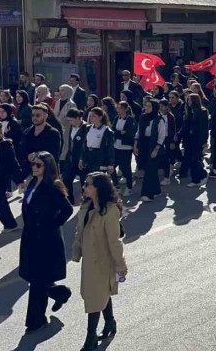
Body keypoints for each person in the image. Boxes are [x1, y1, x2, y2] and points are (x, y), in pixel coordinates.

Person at [19, 151, 74, 334]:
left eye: (38, 165)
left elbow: (66, 210)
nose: (34, 168)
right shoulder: (33, 182)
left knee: (37, 281)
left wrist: (50, 224)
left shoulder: (53, 186)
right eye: (33, 164)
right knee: (37, 278)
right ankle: (60, 293)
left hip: (46, 240)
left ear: (47, 166)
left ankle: (36, 320)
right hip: (31, 237)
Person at [71, 173, 127, 351]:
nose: (84, 187)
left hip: (103, 261)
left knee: (94, 297)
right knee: (99, 293)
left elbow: (114, 241)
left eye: (88, 184)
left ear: (98, 188)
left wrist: (120, 265)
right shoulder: (86, 206)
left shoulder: (110, 210)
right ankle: (110, 322)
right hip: (89, 260)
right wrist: (77, 251)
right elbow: (79, 231)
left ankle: (91, 337)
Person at [135, 98, 165, 202]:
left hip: (154, 146)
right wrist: (135, 145)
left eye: (149, 106)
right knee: (148, 169)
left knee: (149, 170)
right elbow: (138, 132)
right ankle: (156, 190)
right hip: (144, 145)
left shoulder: (159, 120)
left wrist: (156, 149)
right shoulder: (142, 117)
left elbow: (161, 136)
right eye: (145, 105)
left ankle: (147, 194)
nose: (146, 108)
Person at [180, 93, 209, 188]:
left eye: (190, 100)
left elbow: (204, 128)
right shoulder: (188, 112)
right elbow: (184, 126)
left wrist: (204, 141)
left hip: (197, 139)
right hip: (188, 139)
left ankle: (198, 178)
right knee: (190, 158)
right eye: (188, 100)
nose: (188, 102)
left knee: (195, 159)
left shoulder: (202, 112)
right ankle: (199, 177)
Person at [81, 108, 115, 177]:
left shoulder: (107, 131)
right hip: (88, 156)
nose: (91, 118)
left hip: (100, 157)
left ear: (100, 117)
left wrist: (111, 164)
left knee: (98, 179)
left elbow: (110, 148)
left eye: (93, 116)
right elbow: (84, 144)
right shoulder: (87, 128)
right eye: (90, 116)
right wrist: (81, 158)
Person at [111, 103, 136, 197]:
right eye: (118, 108)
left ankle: (129, 187)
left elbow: (129, 133)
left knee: (126, 169)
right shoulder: (116, 118)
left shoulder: (130, 119)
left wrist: (120, 133)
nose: (119, 110)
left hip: (126, 148)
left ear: (126, 109)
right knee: (111, 167)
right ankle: (116, 186)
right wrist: (120, 133)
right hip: (116, 147)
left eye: (121, 108)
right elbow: (113, 131)